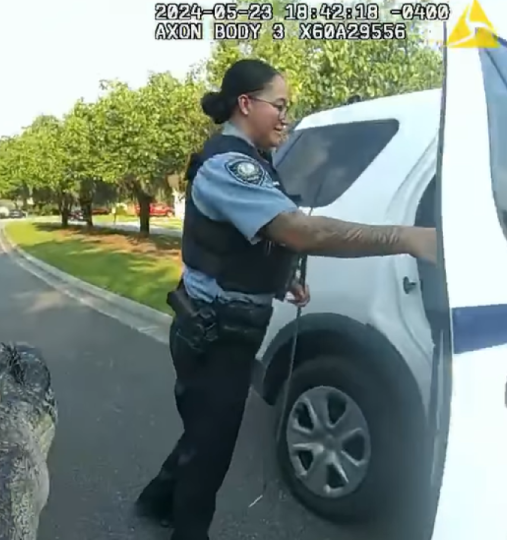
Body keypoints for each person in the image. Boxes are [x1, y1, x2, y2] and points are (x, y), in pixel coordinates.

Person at [133, 58, 438, 540]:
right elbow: (299, 229)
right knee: (211, 446)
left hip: (226, 325)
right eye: (279, 105)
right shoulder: (229, 165)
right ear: (246, 104)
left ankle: (155, 500)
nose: (286, 117)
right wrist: (409, 237)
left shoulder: (255, 162)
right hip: (215, 333)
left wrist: (279, 279)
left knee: (207, 430)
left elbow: (247, 240)